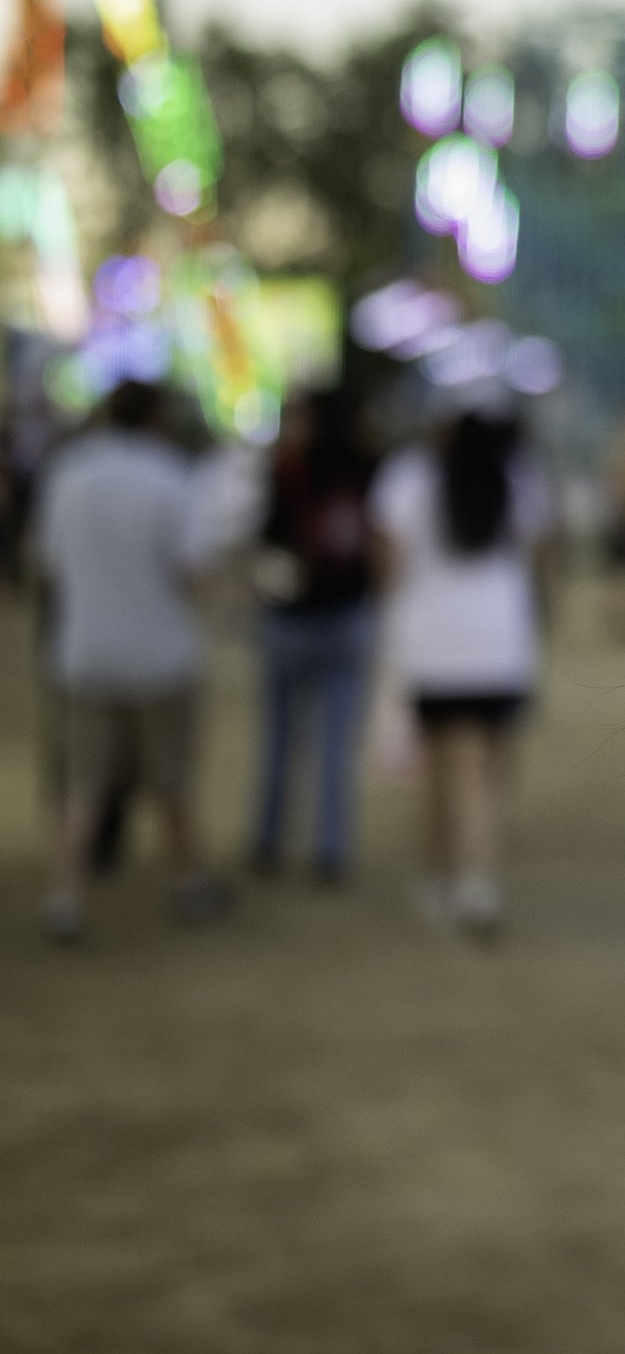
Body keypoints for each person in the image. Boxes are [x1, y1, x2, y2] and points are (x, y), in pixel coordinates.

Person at [29, 374, 229, 940]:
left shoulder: (68, 474)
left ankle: (66, 896)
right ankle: (188, 884)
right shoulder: (171, 480)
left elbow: (46, 563)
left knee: (83, 785)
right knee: (172, 781)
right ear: (158, 418)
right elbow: (194, 574)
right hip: (161, 656)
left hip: (84, 652)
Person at [371, 392, 556, 933]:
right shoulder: (519, 478)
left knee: (445, 770)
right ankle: (464, 876)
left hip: (433, 648)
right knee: (485, 771)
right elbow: (542, 551)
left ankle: (459, 879)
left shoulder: (409, 477)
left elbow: (388, 563)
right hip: (502, 646)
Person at [249, 385, 378, 882]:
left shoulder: (288, 469)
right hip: (347, 615)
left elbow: (268, 539)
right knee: (335, 742)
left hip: (290, 616)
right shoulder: (369, 469)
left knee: (279, 735)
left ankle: (269, 838)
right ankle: (331, 847)